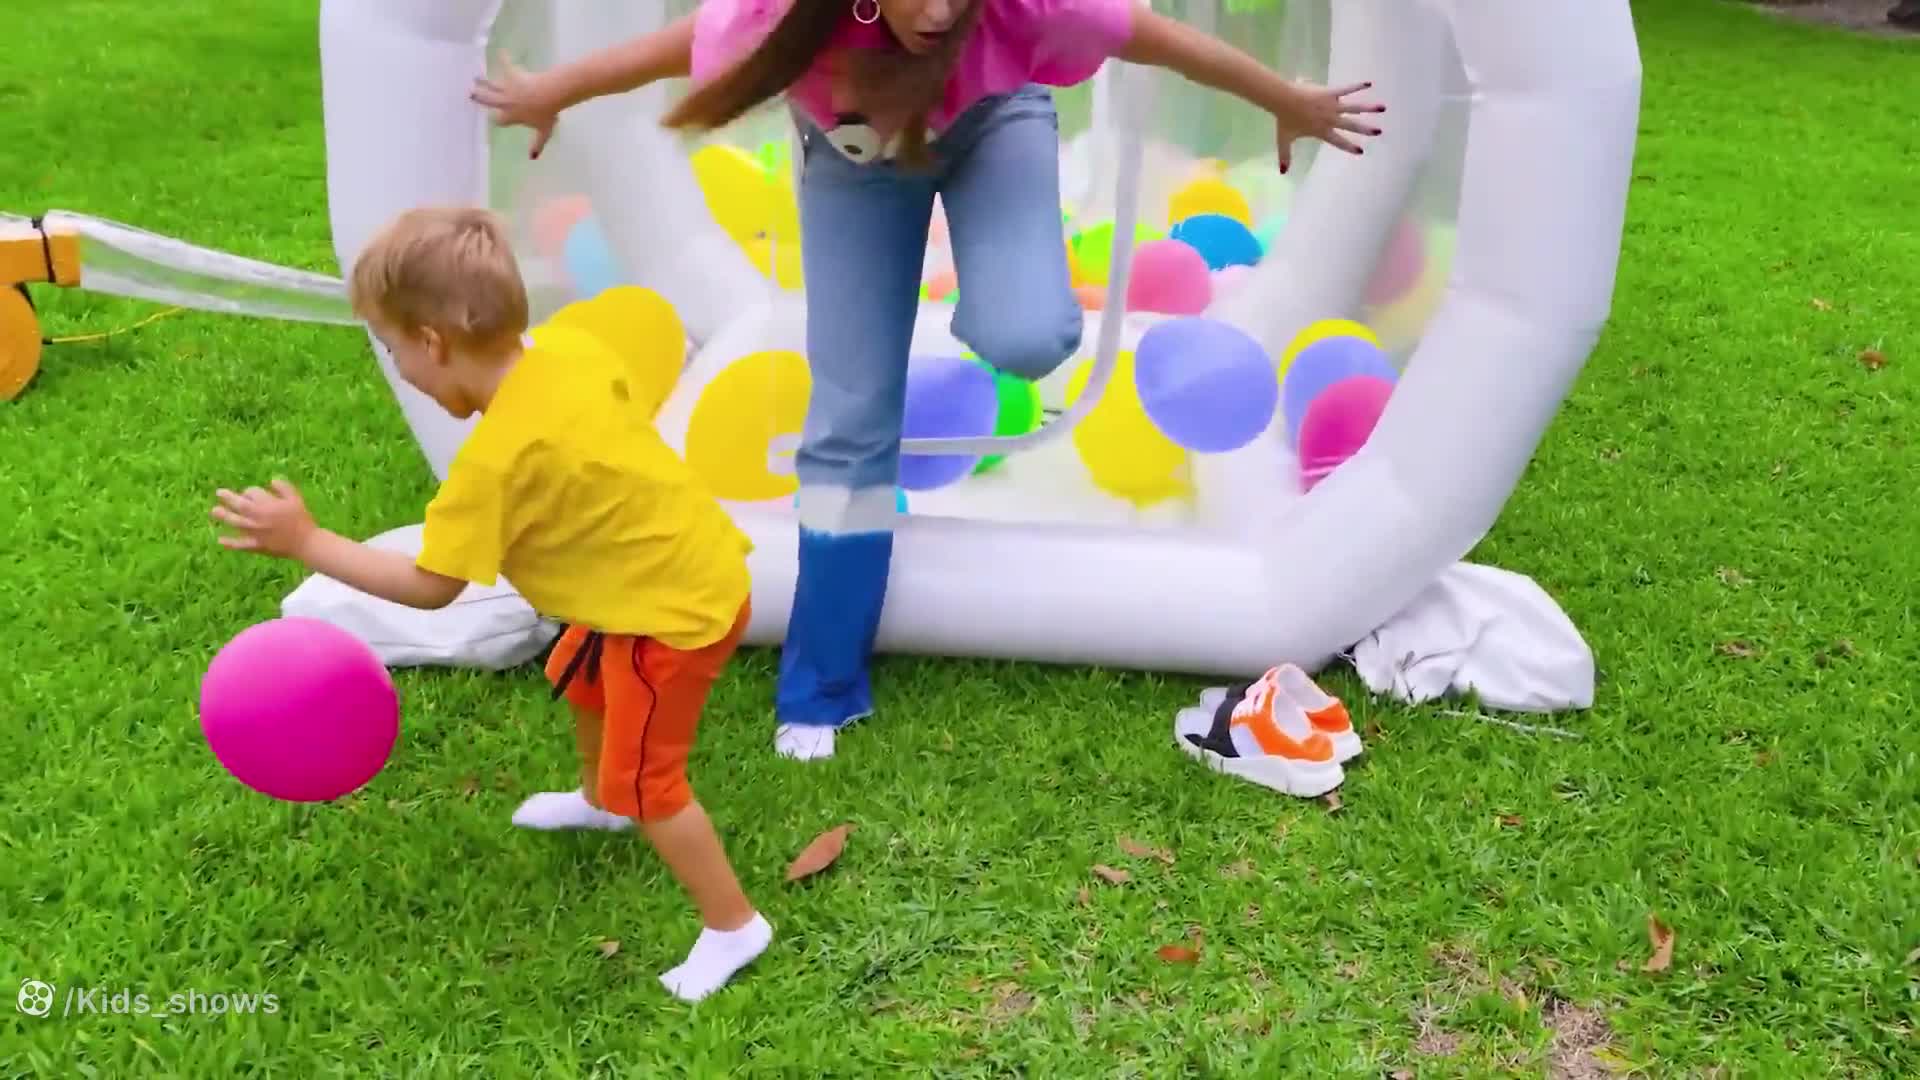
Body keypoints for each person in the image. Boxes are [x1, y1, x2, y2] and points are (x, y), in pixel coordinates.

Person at [471, 0, 1384, 762]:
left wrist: (1286, 101)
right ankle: (822, 688)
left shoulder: (1025, 8)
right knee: (850, 416)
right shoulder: (787, 15)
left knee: (1028, 332)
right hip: (854, 164)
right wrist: (553, 91)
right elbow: (672, 48)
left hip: (994, 125)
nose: (941, 12)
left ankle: (995, 300)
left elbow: (1156, 37)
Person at [208, 207, 770, 1002]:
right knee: (583, 680)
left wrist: (307, 541)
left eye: (393, 347)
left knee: (653, 783)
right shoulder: (571, 352)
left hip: (669, 617)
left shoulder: (495, 464)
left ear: (432, 341)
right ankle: (600, 800)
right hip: (673, 571)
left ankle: (733, 924)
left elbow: (429, 587)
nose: (399, 366)